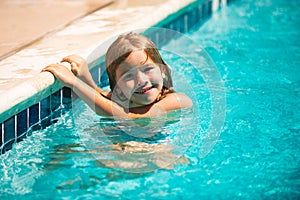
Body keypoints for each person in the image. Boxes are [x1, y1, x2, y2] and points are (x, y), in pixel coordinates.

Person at [43, 32, 192, 119]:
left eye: (147, 69)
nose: (141, 81)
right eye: (128, 76)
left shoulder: (177, 100)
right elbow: (105, 98)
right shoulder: (126, 98)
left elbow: (129, 117)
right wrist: (85, 77)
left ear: (163, 71)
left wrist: (75, 83)